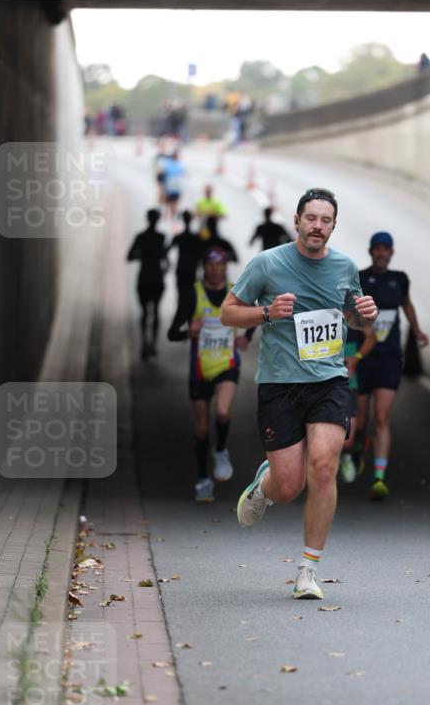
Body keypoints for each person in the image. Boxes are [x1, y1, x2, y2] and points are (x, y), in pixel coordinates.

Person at [220, 187, 378, 600]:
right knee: (289, 486)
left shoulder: (345, 267)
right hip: (280, 385)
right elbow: (227, 311)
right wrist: (267, 312)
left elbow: (353, 319)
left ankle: (308, 571)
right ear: (297, 220)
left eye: (326, 221)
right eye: (311, 218)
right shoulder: (268, 264)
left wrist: (365, 318)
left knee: (324, 467)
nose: (318, 227)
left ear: (333, 226)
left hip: (328, 381)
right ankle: (264, 487)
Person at [168, 248, 253, 502]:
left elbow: (255, 316)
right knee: (202, 428)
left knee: (224, 412)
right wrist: (188, 332)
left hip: (227, 364)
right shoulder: (192, 294)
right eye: (211, 264)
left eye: (221, 264)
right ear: (204, 267)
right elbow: (172, 332)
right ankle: (203, 478)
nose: (216, 269)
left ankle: (221, 449)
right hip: (200, 369)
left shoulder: (236, 291)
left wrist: (246, 339)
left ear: (226, 266)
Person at [352, 232, 429, 499]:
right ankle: (357, 447)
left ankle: (379, 477)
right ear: (371, 251)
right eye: (378, 249)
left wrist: (417, 330)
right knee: (359, 421)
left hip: (388, 357)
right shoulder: (359, 278)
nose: (382, 253)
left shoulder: (399, 279)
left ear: (392, 252)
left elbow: (406, 304)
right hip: (363, 357)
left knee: (382, 417)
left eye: (386, 249)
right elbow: (349, 314)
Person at [127, 209, 168, 361]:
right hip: (157, 278)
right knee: (156, 311)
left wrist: (143, 254)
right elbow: (166, 260)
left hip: (144, 278)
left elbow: (129, 256)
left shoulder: (141, 237)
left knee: (144, 312)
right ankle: (153, 345)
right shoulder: (161, 237)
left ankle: (145, 342)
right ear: (157, 220)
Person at [339, 324, 376, 483]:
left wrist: (355, 359)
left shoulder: (354, 312)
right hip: (322, 384)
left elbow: (372, 337)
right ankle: (325, 465)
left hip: (349, 385)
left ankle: (345, 455)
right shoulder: (321, 307)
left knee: (348, 442)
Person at [170, 210, 206, 306]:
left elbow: (166, 250)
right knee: (191, 297)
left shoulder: (179, 237)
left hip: (181, 268)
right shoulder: (196, 238)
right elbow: (201, 255)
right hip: (191, 269)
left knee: (181, 296)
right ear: (191, 220)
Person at [160, 150, 187, 229]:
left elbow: (162, 174)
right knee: (171, 203)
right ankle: (171, 216)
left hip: (175, 188)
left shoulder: (176, 165)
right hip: (171, 187)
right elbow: (184, 174)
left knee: (174, 203)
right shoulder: (170, 165)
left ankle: (172, 216)